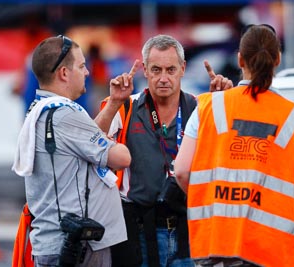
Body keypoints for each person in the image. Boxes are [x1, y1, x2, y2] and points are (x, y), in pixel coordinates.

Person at [174, 24, 294, 267]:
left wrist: (212, 200)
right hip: (273, 249)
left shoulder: (207, 107)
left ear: (240, 60)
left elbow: (183, 171)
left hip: (216, 243)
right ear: (277, 59)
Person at [97, 34, 233, 267]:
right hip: (139, 233)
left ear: (182, 69)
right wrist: (113, 103)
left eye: (170, 70)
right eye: (156, 70)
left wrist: (223, 103)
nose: (163, 78)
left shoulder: (202, 107)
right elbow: (90, 141)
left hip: (189, 232)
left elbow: (228, 151)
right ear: (145, 71)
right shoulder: (126, 105)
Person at [12, 35, 131, 267]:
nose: (87, 72)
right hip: (75, 247)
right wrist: (115, 141)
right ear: (64, 73)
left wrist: (115, 103)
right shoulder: (65, 114)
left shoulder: (43, 109)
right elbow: (121, 158)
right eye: (81, 66)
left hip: (60, 243)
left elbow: (84, 141)